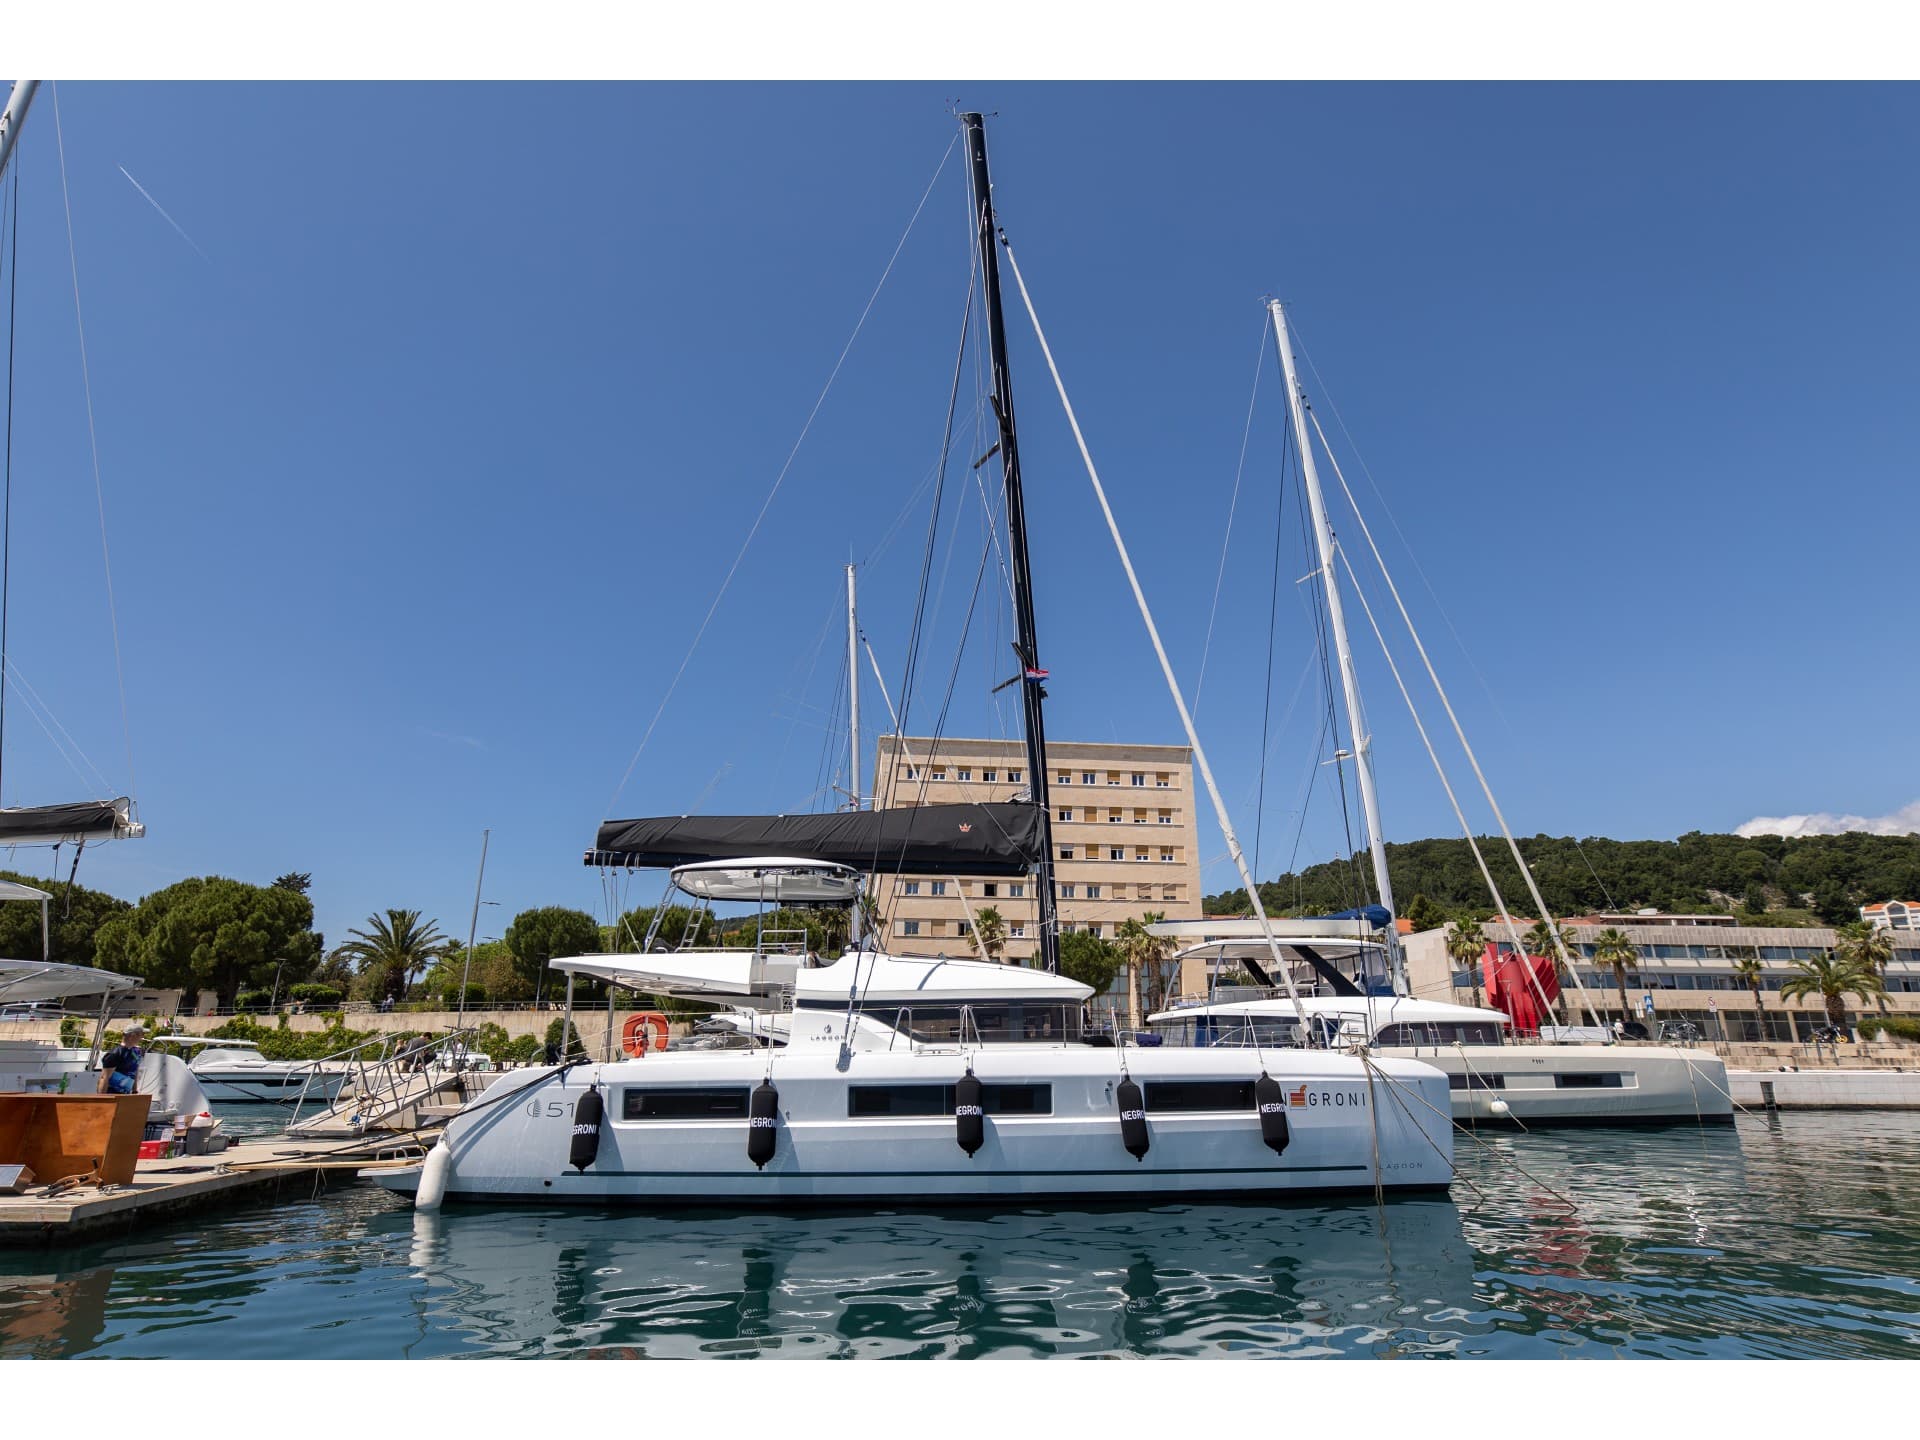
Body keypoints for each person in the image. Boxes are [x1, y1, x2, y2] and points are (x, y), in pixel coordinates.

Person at [98, 1023, 147, 1095]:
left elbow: (134, 1072)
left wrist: (134, 1091)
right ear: (132, 1035)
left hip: (124, 1096)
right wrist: (102, 1100)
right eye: (141, 1034)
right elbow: (104, 1078)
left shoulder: (135, 1052)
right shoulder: (116, 1053)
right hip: (112, 1095)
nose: (142, 1038)